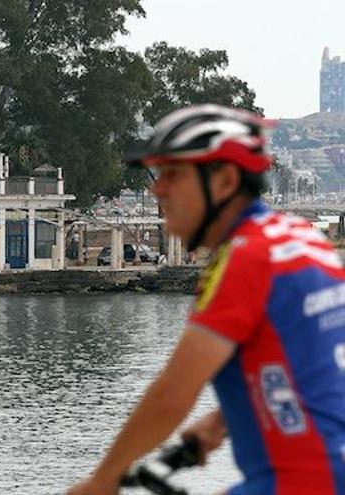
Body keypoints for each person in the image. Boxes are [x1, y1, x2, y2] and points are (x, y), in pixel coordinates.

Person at [67, 105, 345, 494]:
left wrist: (102, 480)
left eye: (173, 175)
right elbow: (310, 362)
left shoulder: (244, 259)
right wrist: (221, 421)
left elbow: (172, 396)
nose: (155, 189)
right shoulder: (302, 239)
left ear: (225, 181)